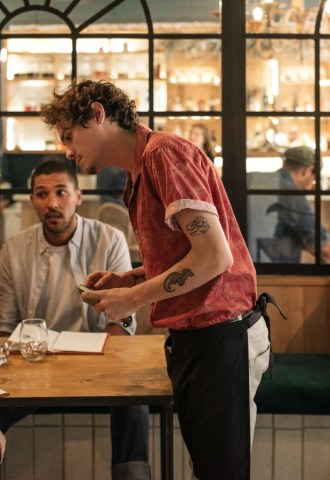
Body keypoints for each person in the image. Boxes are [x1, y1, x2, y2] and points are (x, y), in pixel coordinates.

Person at [40, 79, 283, 480]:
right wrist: (127, 278)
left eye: (69, 136)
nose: (67, 150)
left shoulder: (163, 153)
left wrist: (133, 298)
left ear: (98, 115)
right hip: (199, 340)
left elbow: (214, 256)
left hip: (223, 337)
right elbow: (186, 254)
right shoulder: (140, 171)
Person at [0, 160, 150, 480]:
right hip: (33, 367)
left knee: (134, 398)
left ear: (78, 196)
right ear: (32, 201)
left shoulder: (110, 240)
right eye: (42, 194)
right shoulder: (13, 250)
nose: (52, 203)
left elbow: (123, 323)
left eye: (61, 192)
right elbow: (4, 325)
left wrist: (99, 361)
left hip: (99, 364)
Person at [248, 146, 330, 263]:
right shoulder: (291, 193)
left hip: (239, 263)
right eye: (314, 178)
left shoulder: (252, 177)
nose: (313, 183)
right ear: (306, 171)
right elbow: (325, 247)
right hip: (272, 270)